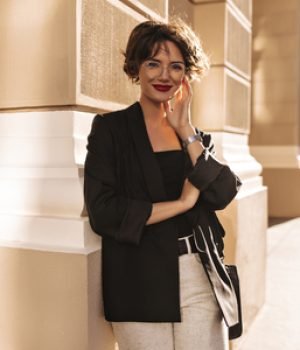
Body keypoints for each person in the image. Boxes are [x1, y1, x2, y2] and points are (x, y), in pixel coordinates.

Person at [84, 18, 241, 350]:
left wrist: (186, 131)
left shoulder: (196, 138)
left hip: (198, 275)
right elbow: (104, 212)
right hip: (136, 279)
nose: (164, 75)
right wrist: (182, 204)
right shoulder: (111, 130)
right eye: (153, 63)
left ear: (186, 74)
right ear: (137, 67)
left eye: (176, 66)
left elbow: (223, 191)